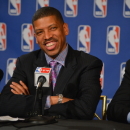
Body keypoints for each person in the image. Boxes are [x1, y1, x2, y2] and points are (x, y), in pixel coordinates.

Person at [0, 7, 102, 120]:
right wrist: (53, 100)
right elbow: (4, 104)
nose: (47, 36)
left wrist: (30, 102)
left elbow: (85, 109)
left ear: (65, 29)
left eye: (52, 28)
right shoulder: (26, 62)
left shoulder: (88, 63)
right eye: (40, 32)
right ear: (36, 38)